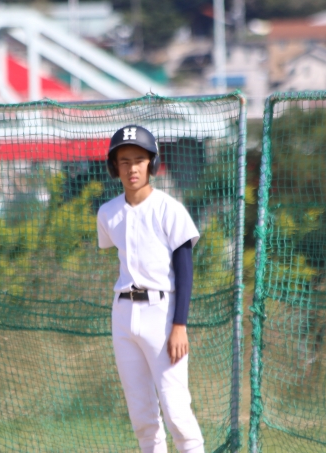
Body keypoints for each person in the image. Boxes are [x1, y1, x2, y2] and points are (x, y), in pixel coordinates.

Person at [96, 125, 204, 453]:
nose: (132, 168)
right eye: (124, 161)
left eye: (139, 160)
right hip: (123, 312)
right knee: (142, 416)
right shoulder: (108, 213)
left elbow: (184, 269)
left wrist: (179, 325)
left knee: (176, 411)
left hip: (162, 312)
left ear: (152, 164)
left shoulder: (169, 208)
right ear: (114, 167)